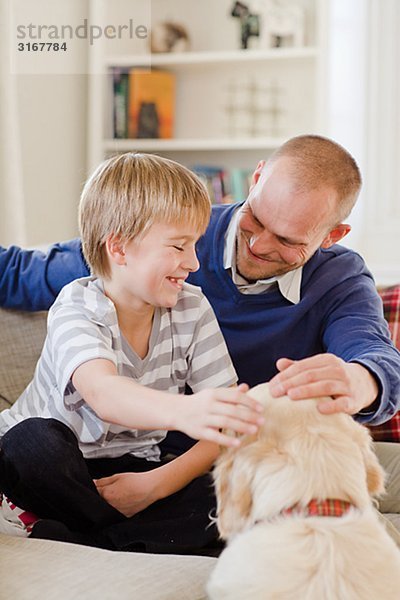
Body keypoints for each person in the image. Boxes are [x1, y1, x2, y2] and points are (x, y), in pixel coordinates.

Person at [1, 135, 400, 534]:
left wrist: (358, 381)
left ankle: (88, 533)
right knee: (32, 445)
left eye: (286, 240)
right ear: (256, 179)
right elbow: (23, 272)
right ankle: (121, 536)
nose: (259, 244)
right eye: (256, 220)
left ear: (332, 236)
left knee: (272, 496)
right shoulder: (167, 230)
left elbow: (375, 358)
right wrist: (187, 414)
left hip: (195, 459)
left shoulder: (336, 280)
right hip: (99, 455)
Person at [0, 153, 264, 553]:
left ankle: (80, 537)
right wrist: (185, 412)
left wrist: (153, 486)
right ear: (119, 248)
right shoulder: (76, 306)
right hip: (55, 466)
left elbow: (226, 429)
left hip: (135, 466)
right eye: (178, 246)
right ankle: (136, 537)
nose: (193, 262)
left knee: (244, 485)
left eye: (195, 245)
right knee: (33, 442)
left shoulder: (193, 308)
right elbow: (104, 393)